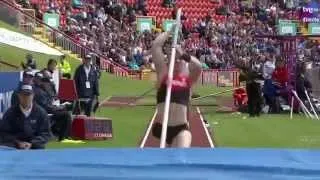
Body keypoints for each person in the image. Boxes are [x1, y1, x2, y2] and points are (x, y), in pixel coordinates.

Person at [150, 29, 202, 148]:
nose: (178, 62)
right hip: (162, 127)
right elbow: (156, 46)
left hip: (180, 128)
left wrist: (184, 55)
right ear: (169, 61)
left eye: (180, 60)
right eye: (175, 59)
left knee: (180, 155)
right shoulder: (163, 75)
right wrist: (170, 31)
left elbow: (198, 67)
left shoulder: (188, 79)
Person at [0, 84, 51, 149]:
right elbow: (4, 133)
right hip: (14, 145)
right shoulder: (10, 113)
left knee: (40, 148)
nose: (26, 98)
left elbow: (46, 133)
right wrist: (18, 142)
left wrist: (32, 143)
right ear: (19, 96)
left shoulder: (41, 112)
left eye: (28, 95)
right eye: (23, 95)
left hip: (35, 145)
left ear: (33, 95)